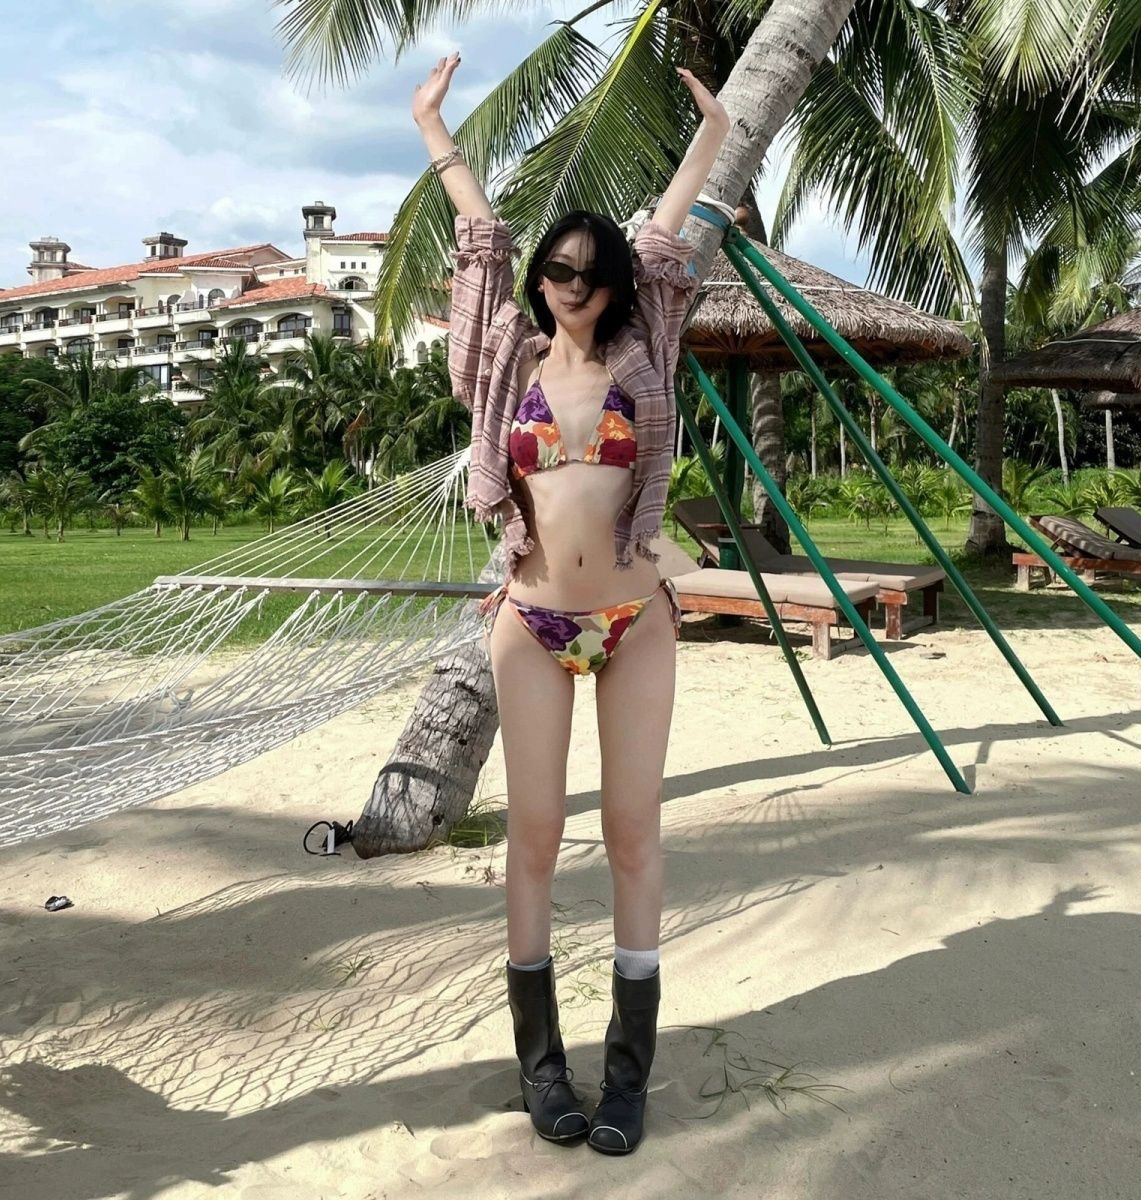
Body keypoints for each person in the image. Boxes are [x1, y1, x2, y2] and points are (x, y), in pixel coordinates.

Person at [413, 51, 729, 1155]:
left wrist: (714, 131)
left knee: (634, 832)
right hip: (532, 620)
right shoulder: (510, 358)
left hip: (637, 617)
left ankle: (628, 1076)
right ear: (541, 279)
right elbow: (480, 238)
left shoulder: (647, 351)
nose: (575, 283)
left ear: (617, 283)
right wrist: (434, 128)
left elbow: (669, 232)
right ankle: (542, 1068)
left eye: (592, 271)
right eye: (559, 268)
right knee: (537, 837)